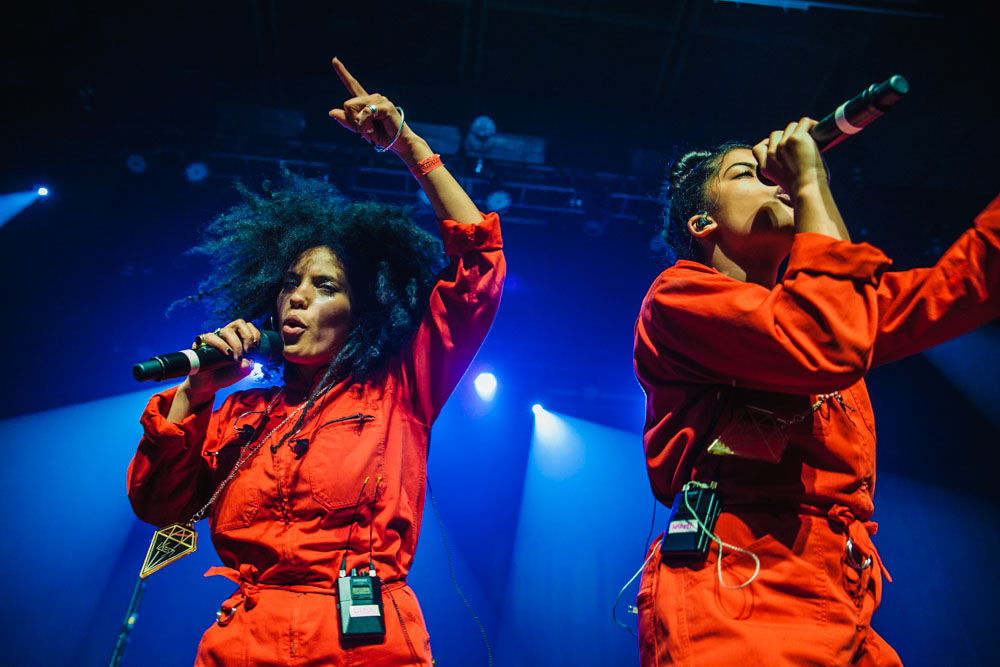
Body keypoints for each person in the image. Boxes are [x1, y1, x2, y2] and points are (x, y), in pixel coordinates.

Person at [127, 58, 505, 666]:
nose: (297, 296)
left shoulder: (400, 390)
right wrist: (194, 393)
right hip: (243, 644)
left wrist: (409, 146)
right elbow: (159, 507)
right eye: (290, 283)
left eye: (325, 286)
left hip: (363, 644)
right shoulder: (240, 413)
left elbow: (477, 268)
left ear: (365, 310)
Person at [633, 117, 999, 665]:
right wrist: (808, 183)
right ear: (703, 221)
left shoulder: (825, 304)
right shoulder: (678, 297)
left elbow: (958, 288)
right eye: (747, 174)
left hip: (842, 595)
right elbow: (826, 341)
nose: (775, 181)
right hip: (738, 590)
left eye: (776, 176)